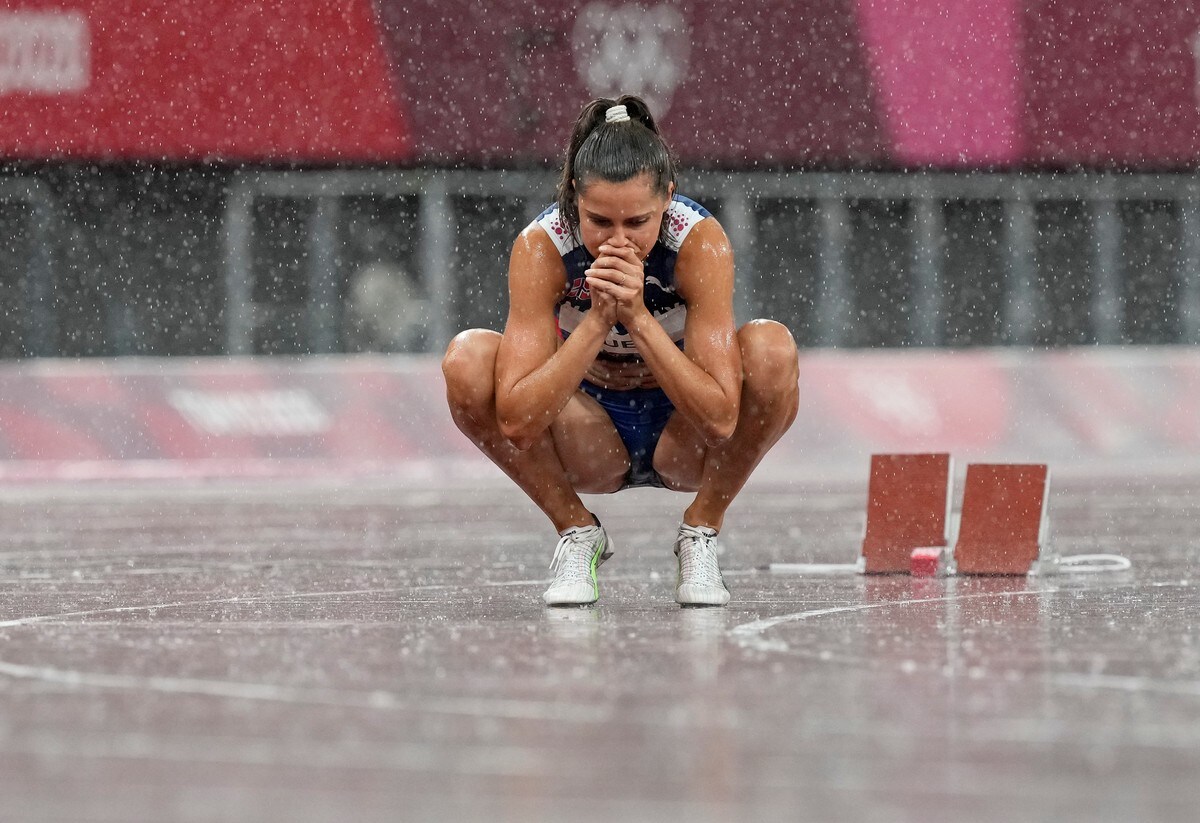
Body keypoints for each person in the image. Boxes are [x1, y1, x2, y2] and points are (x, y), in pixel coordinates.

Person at [442, 94, 799, 607]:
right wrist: (598, 321)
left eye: (638, 223)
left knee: (771, 349)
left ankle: (701, 530)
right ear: (572, 199)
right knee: (468, 360)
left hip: (683, 435)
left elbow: (720, 420)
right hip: (590, 434)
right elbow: (518, 422)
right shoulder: (541, 247)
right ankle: (577, 532)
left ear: (668, 200)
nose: (619, 240)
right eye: (599, 222)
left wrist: (636, 316)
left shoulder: (700, 242)